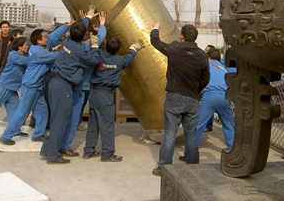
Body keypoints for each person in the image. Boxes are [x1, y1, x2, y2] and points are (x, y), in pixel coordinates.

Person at [0, 16, 74, 145]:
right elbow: (58, 55)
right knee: (22, 112)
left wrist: (68, 25)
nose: (46, 38)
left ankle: (38, 134)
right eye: (44, 37)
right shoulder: (40, 53)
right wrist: (71, 49)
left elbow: (53, 36)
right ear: (39, 41)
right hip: (30, 87)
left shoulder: (39, 46)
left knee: (42, 111)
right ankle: (6, 136)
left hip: (37, 86)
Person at [41, 9, 102, 165]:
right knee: (60, 122)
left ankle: (47, 149)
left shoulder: (67, 41)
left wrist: (87, 17)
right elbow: (93, 61)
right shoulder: (79, 50)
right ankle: (53, 155)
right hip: (63, 86)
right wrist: (95, 46)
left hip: (54, 83)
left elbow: (79, 27)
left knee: (55, 119)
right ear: (83, 37)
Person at [150, 23, 210, 176]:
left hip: (174, 98)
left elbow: (156, 43)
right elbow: (205, 79)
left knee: (169, 135)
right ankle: (193, 168)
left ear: (181, 36)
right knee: (191, 135)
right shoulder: (202, 56)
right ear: (195, 38)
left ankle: (163, 168)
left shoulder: (175, 49)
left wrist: (156, 28)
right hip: (192, 99)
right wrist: (195, 91)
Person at [83, 29, 144, 163]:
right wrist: (133, 48)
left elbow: (95, 49)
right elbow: (129, 58)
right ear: (117, 49)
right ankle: (108, 154)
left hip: (95, 94)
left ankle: (88, 150)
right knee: (107, 125)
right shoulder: (120, 60)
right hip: (106, 95)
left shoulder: (99, 56)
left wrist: (98, 33)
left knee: (93, 124)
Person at [186, 48, 235, 157]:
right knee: (228, 125)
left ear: (208, 57)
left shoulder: (204, 65)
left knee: (198, 124)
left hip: (210, 96)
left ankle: (191, 153)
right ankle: (233, 149)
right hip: (224, 96)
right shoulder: (223, 68)